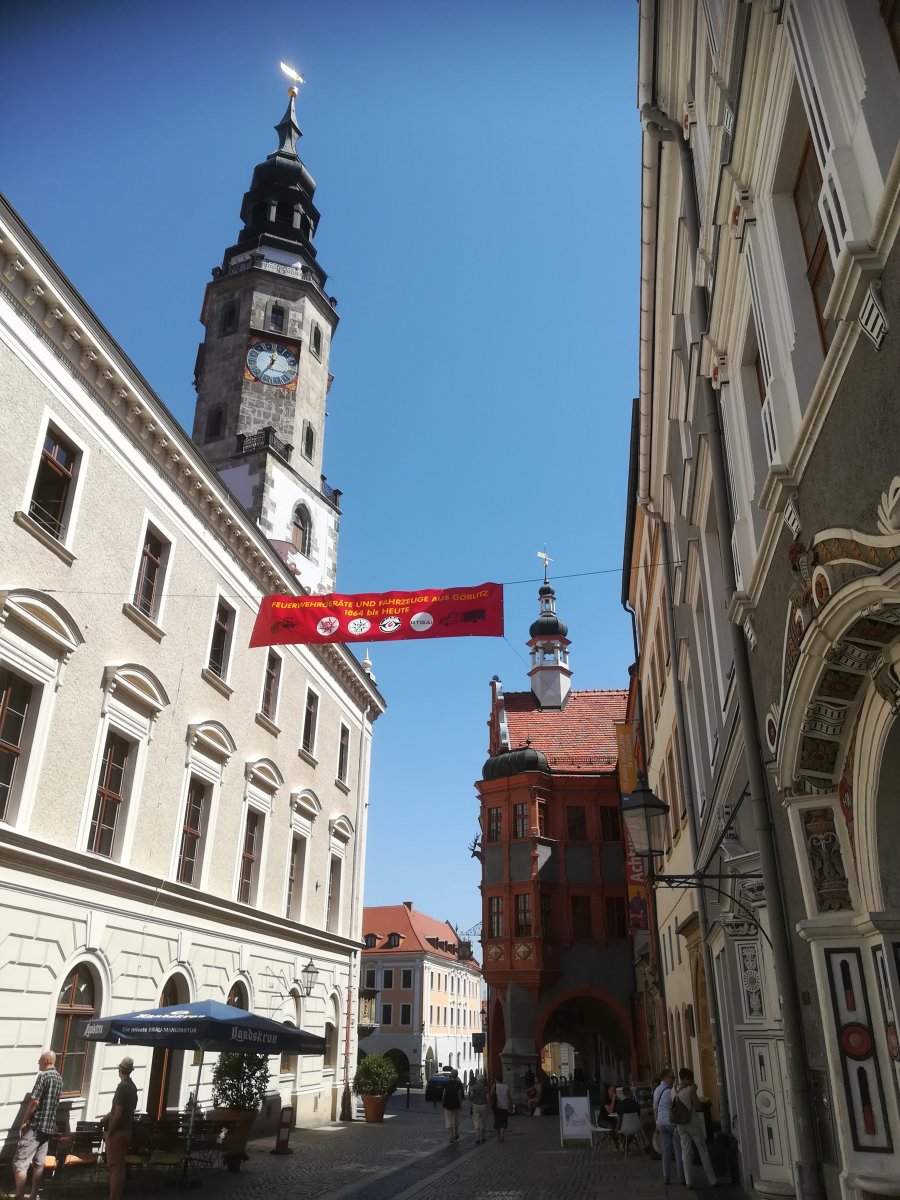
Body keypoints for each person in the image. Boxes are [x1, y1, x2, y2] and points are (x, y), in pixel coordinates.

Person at [14, 1049, 64, 1200]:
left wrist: (24, 1121)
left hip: (36, 1126)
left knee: (19, 1161)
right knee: (39, 1163)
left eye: (40, 1059)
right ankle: (34, 1195)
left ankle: (19, 1196)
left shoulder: (43, 1076)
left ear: (46, 1061)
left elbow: (34, 1101)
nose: (38, 1062)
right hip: (48, 1128)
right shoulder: (59, 1079)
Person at [101, 1056, 139, 1200]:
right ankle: (117, 1196)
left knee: (115, 1168)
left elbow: (118, 1113)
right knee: (121, 1167)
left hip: (118, 1131)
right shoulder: (132, 1087)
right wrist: (107, 1116)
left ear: (120, 1070)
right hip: (128, 1130)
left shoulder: (121, 1087)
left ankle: (113, 1198)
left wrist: (110, 1132)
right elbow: (130, 1108)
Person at [674, 1067, 718, 1188]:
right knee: (703, 1151)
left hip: (679, 1124)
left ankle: (689, 1181)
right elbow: (698, 1107)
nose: (692, 1081)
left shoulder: (673, 1090)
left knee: (686, 1151)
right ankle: (712, 1180)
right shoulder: (689, 1091)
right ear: (686, 1079)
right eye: (691, 1079)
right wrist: (694, 1092)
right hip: (692, 1123)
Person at [654, 1068, 685, 1186]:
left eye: (674, 1077)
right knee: (678, 1149)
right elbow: (676, 1107)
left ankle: (666, 1177)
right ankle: (682, 1178)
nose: (673, 1079)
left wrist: (656, 1122)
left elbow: (655, 1107)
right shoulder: (672, 1090)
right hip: (672, 1123)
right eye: (671, 1077)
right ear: (664, 1077)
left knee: (666, 1151)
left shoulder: (657, 1090)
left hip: (661, 1123)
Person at [442, 1067, 465, 1143]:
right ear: (457, 1075)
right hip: (456, 1104)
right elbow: (459, 1095)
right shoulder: (458, 1084)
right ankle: (456, 1134)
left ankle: (451, 1136)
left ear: (451, 1075)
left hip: (447, 1104)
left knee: (448, 1120)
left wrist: (443, 1102)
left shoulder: (446, 1083)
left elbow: (444, 1094)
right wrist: (461, 1104)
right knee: (456, 1119)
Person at [469, 1072, 490, 1144]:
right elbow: (487, 1097)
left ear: (477, 1080)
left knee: (476, 1121)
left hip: (475, 1105)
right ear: (483, 1080)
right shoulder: (485, 1088)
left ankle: (477, 1137)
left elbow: (471, 1096)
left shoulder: (474, 1087)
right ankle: (483, 1136)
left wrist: (472, 1098)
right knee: (483, 1121)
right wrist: (489, 1105)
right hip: (484, 1105)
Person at [490, 1073, 510, 1142]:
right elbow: (508, 1096)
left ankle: (499, 1136)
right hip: (504, 1106)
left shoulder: (494, 1086)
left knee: (497, 1121)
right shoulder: (506, 1086)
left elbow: (491, 1095)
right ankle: (502, 1136)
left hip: (497, 1106)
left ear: (496, 1080)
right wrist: (511, 1104)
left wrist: (490, 1104)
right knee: (503, 1121)